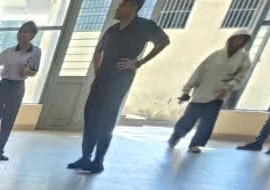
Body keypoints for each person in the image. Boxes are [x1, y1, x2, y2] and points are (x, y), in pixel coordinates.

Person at [68, 0, 170, 174]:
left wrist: (138, 63)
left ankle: (98, 161)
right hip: (102, 79)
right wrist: (97, 71)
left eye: (122, 5)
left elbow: (164, 41)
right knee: (91, 117)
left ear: (133, 7)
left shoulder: (144, 26)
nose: (118, 8)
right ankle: (85, 157)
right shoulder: (112, 30)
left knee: (106, 121)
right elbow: (98, 51)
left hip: (119, 80)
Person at [169, 32, 252, 153]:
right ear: (230, 39)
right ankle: (175, 137)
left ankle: (195, 144)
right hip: (201, 92)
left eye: (241, 39)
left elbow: (240, 76)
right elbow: (199, 72)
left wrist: (227, 87)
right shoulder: (216, 55)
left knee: (207, 123)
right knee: (187, 119)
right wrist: (187, 90)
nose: (237, 41)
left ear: (244, 42)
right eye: (236, 38)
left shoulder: (243, 57)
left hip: (218, 96)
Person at [0, 21, 42, 162]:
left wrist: (27, 71)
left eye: (25, 32)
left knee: (8, 120)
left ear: (32, 35)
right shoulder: (10, 51)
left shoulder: (36, 52)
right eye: (20, 31)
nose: (21, 35)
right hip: (4, 85)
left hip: (18, 87)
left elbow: (35, 71)